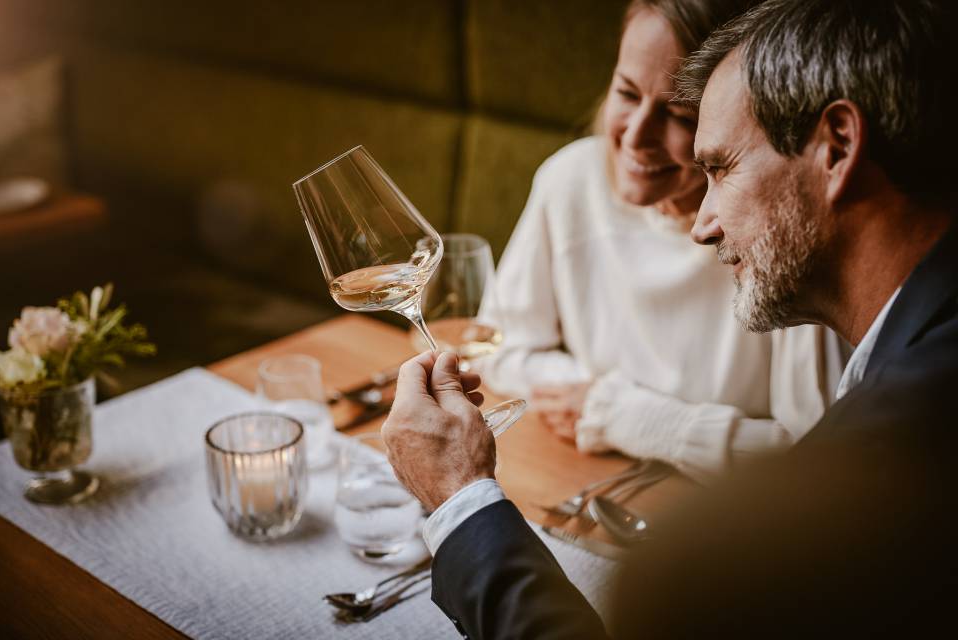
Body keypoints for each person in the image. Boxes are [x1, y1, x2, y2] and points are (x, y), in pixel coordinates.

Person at [381, 0, 958, 638]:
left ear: (838, 146)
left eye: (719, 167)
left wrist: (462, 502)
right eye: (627, 93)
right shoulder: (909, 351)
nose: (702, 224)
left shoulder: (899, 447)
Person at [480, 0, 845, 481]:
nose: (635, 136)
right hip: (585, 476)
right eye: (627, 93)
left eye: (677, 115)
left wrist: (630, 417)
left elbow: (821, 458)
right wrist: (586, 399)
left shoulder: (781, 233)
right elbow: (497, 350)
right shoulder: (569, 181)